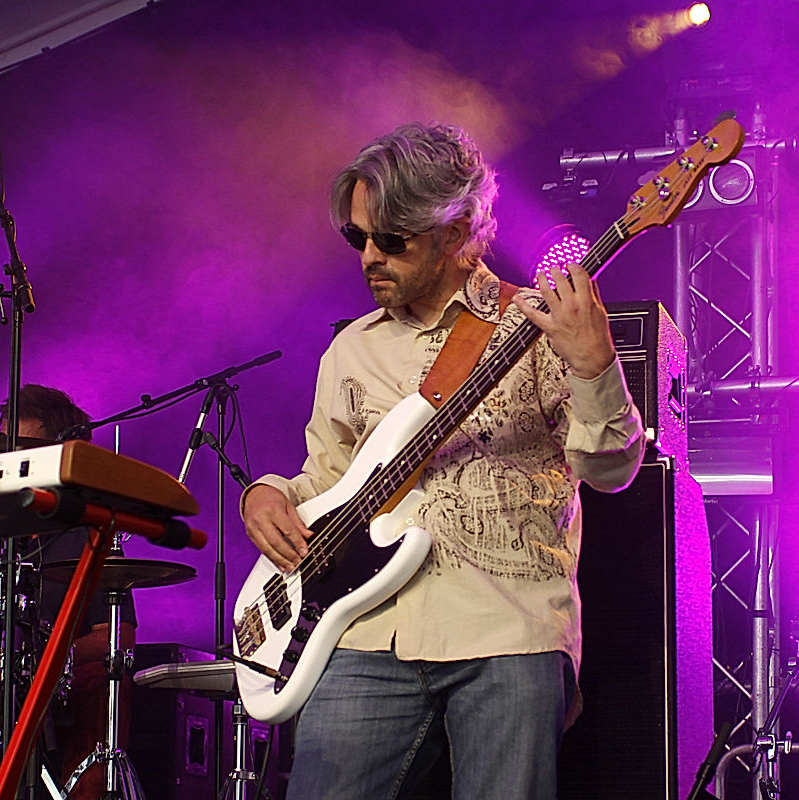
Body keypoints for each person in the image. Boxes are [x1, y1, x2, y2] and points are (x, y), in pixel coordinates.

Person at [241, 122, 646, 798]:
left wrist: (594, 363)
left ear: (456, 232)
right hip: (367, 633)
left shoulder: (539, 324)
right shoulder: (351, 351)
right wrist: (268, 494)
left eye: (392, 241)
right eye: (358, 238)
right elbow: (329, 482)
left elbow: (611, 470)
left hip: (507, 628)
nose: (369, 256)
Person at [0, 385, 134, 799]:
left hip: (60, 680)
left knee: (104, 682)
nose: (10, 460)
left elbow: (119, 635)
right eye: (3, 447)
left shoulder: (88, 530)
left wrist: (54, 657)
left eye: (23, 449)